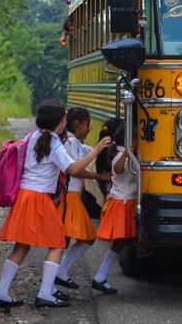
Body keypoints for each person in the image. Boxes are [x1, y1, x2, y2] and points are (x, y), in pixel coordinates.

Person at [0, 101, 111, 308]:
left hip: (24, 197)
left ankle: (1, 292)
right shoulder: (55, 143)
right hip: (39, 198)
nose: (66, 121)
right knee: (57, 244)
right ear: (59, 122)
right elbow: (73, 169)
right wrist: (97, 150)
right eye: (64, 118)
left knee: (21, 246)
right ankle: (45, 293)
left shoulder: (32, 137)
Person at [54, 107, 112, 290]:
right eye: (88, 125)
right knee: (74, 239)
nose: (89, 129)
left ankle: (58, 275)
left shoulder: (75, 142)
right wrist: (100, 177)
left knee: (66, 240)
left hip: (72, 196)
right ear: (77, 124)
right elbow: (76, 169)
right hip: (69, 196)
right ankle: (54, 279)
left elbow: (87, 153)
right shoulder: (71, 142)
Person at [92, 119, 137, 295]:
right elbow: (118, 170)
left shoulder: (127, 153)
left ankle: (101, 277)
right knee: (119, 242)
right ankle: (100, 277)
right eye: (135, 138)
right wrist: (127, 153)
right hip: (122, 202)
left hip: (128, 201)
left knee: (122, 242)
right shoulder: (120, 155)